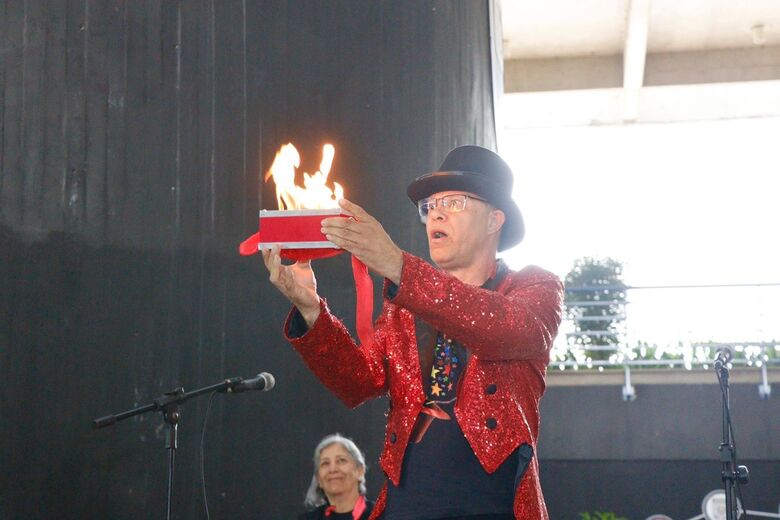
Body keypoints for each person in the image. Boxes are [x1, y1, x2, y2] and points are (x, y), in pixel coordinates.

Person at [262, 145, 564, 519]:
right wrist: (310, 309)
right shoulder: (404, 304)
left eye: (453, 202)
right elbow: (359, 383)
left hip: (492, 505)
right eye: (429, 206)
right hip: (408, 505)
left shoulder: (534, 287)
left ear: (494, 219)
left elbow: (504, 329)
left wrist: (397, 265)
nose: (434, 211)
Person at [299, 434, 375, 520]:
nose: (333, 469)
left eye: (341, 460)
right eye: (325, 463)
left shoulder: (383, 516)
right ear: (318, 479)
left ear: (360, 471)